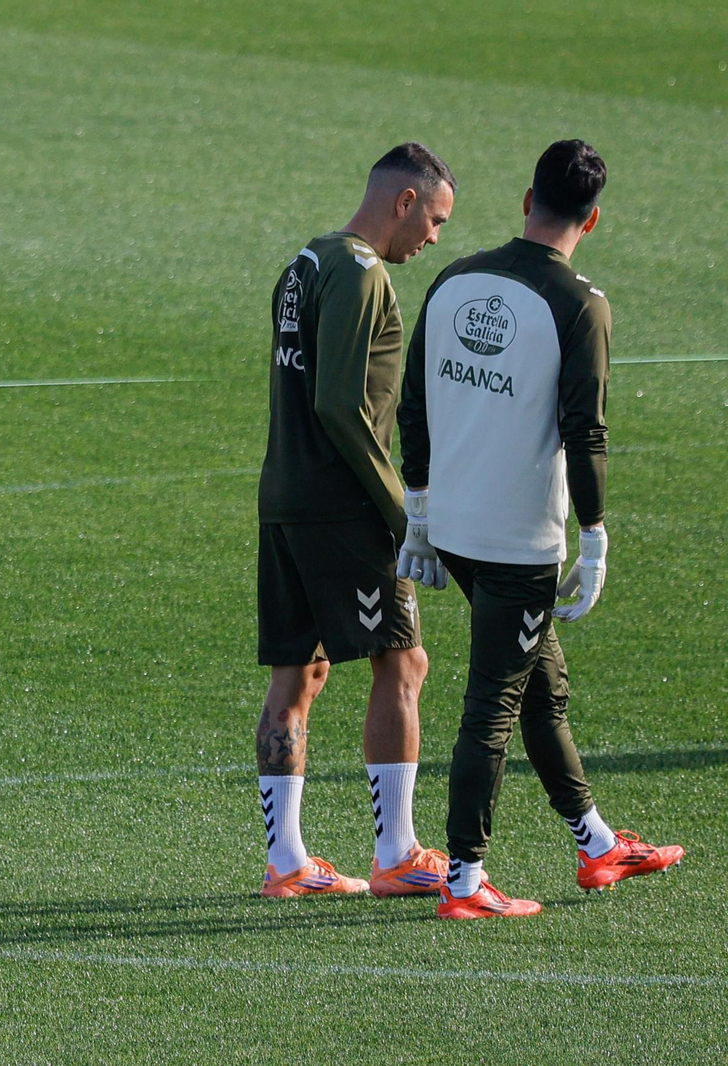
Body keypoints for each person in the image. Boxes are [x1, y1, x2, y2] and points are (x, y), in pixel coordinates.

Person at [396, 140, 684, 919]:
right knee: (494, 699)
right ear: (591, 220)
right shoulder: (581, 306)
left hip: (451, 530)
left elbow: (412, 402)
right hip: (518, 541)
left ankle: (596, 845)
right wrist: (593, 538)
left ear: (527, 200)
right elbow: (584, 433)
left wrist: (418, 512)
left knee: (540, 689)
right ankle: (464, 880)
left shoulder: (455, 280)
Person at [254, 143, 456, 898]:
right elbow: (341, 404)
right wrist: (405, 515)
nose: (432, 238)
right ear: (405, 201)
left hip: (284, 495)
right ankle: (398, 850)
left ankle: (287, 863)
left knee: (297, 675)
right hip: (344, 504)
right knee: (403, 663)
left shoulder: (303, 263)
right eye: (433, 219)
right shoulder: (364, 273)